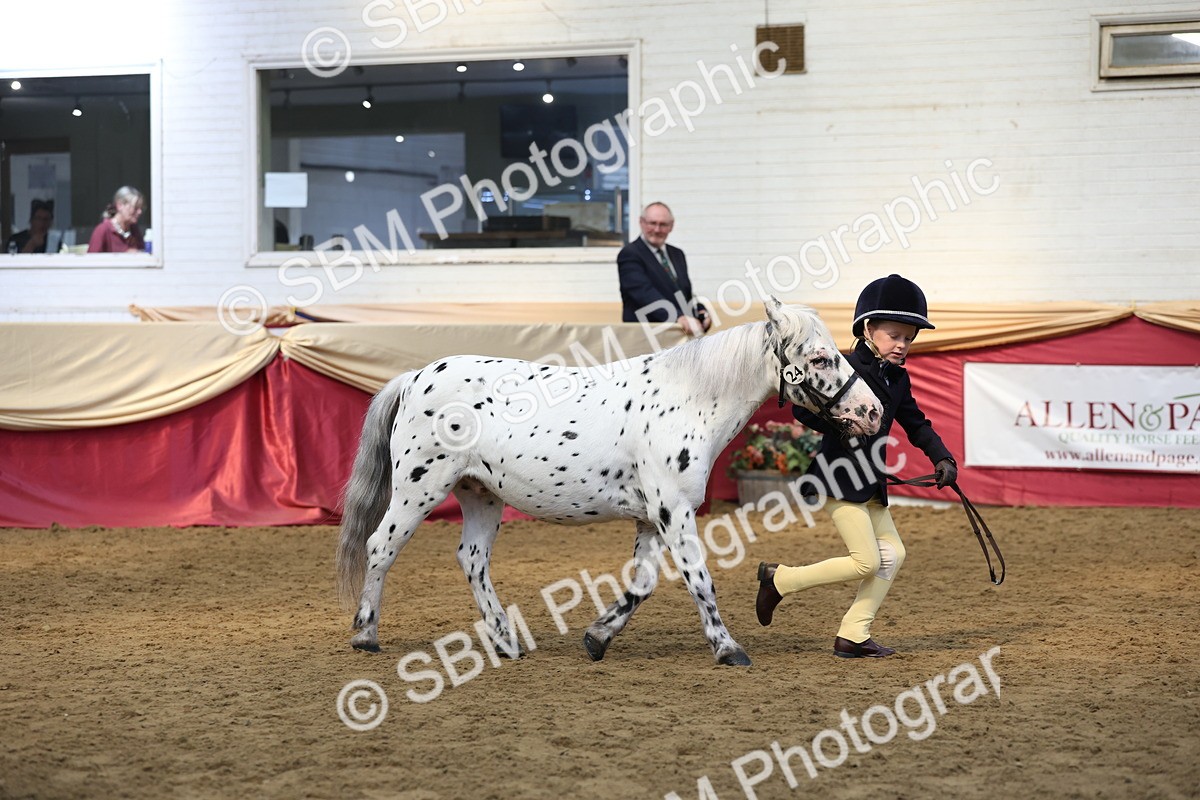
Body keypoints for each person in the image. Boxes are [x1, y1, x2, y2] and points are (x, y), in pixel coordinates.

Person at [755, 274, 958, 658]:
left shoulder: (898, 379)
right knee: (866, 560)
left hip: (870, 484)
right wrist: (841, 420)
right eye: (895, 335)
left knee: (893, 554)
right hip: (837, 477)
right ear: (868, 328)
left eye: (909, 338)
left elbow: (916, 424)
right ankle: (779, 579)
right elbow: (803, 409)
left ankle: (853, 634)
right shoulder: (844, 367)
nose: (903, 345)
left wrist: (942, 457)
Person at [617, 202, 711, 336]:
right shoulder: (630, 254)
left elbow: (684, 293)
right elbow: (644, 293)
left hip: (678, 338)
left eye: (663, 224)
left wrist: (700, 311)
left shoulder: (677, 254)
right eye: (652, 223)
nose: (657, 229)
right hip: (646, 337)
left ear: (671, 226)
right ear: (641, 222)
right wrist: (679, 317)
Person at [87, 186, 145, 253]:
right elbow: (91, 261)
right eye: (135, 207)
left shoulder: (133, 229)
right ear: (120, 205)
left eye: (141, 208)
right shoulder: (103, 230)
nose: (139, 212)